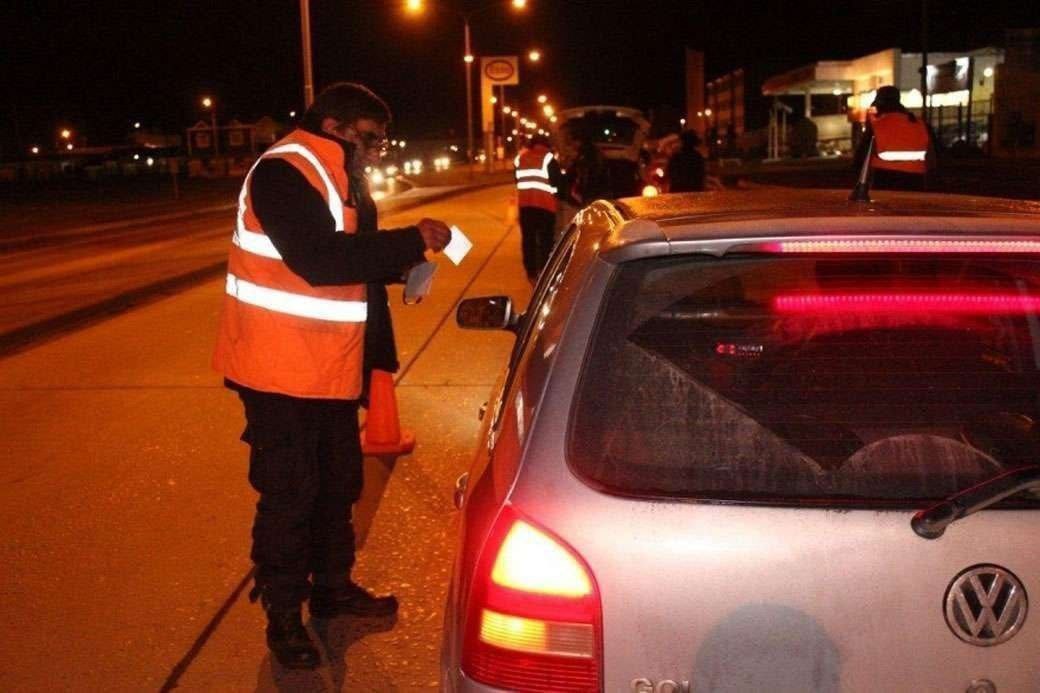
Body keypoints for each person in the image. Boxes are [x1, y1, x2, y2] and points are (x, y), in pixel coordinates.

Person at [212, 82, 452, 670]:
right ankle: (284, 618)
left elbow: (354, 262)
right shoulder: (283, 172)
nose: (376, 150)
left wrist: (406, 264)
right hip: (276, 367)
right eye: (371, 138)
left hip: (330, 364)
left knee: (338, 484)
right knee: (290, 494)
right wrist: (406, 243)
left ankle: (332, 591)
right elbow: (318, 259)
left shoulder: (342, 177)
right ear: (339, 127)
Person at [852, 85, 937, 191]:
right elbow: (932, 157)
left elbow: (862, 156)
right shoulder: (919, 123)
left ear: (880, 103)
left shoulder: (878, 125)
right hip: (916, 180)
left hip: (884, 178)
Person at [514, 135, 564, 282]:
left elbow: (517, 180)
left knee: (528, 239)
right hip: (545, 206)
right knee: (545, 239)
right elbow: (556, 182)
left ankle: (530, 271)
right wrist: (557, 195)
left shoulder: (520, 158)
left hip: (525, 206)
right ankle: (544, 268)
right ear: (546, 144)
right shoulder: (548, 158)